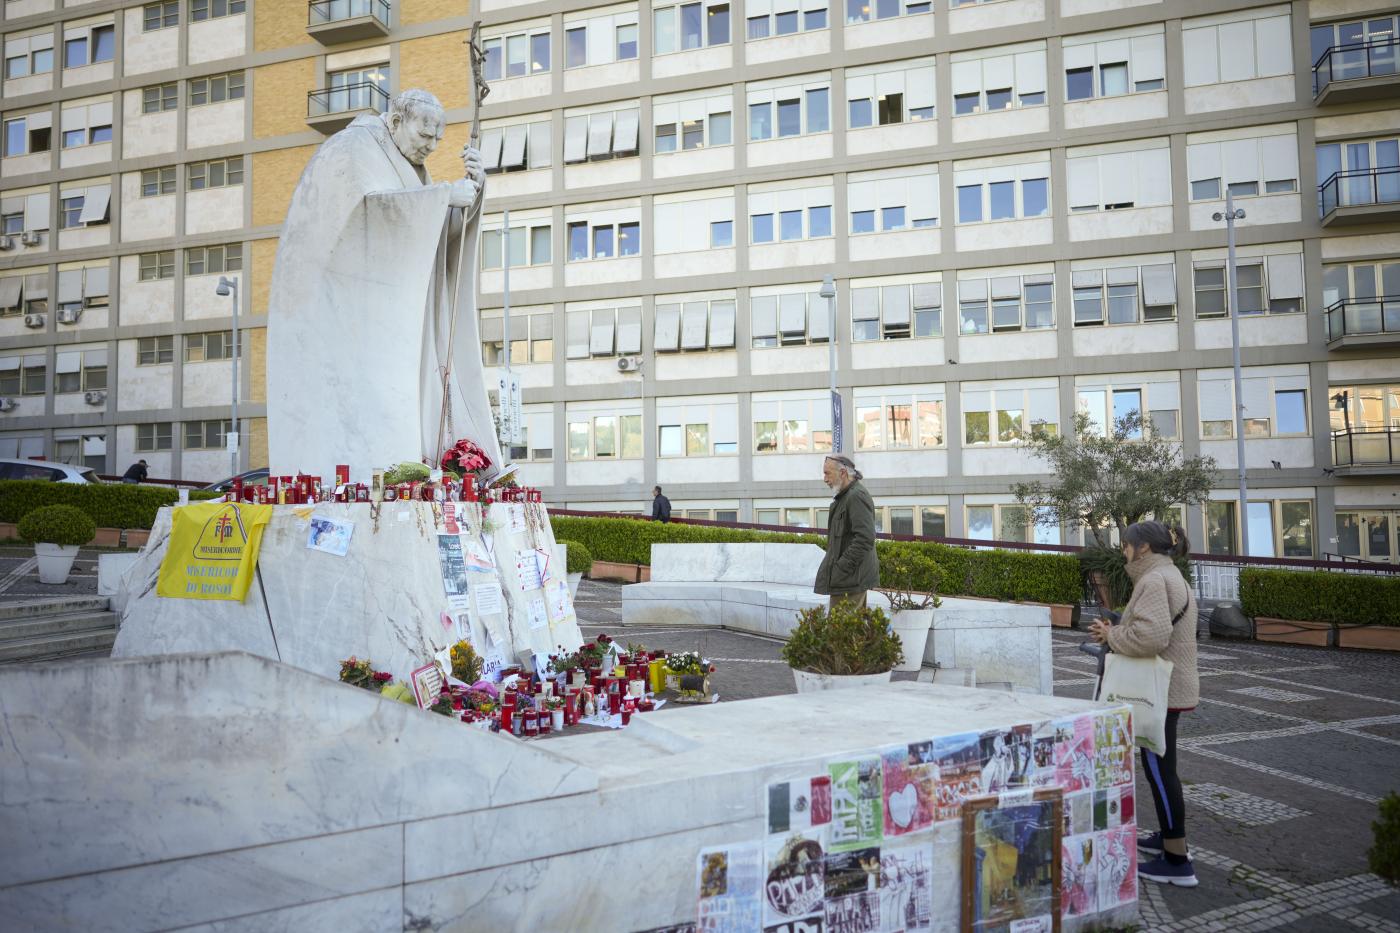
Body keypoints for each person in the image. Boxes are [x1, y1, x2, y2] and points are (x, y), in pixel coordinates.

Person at [266, 88, 505, 484]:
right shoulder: (350, 148)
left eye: (437, 140)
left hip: (392, 321)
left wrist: (471, 195)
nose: (430, 147)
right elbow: (364, 214)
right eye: (424, 136)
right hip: (348, 320)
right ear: (396, 122)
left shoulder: (408, 166)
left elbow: (436, 243)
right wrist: (444, 196)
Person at [1087, 520, 1200, 888]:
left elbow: (1150, 636)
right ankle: (1170, 839)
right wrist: (1120, 626)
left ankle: (1177, 860)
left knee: (1160, 770)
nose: (1123, 550)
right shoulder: (1171, 576)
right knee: (1161, 768)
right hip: (1171, 686)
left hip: (1159, 691)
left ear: (1144, 548)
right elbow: (1158, 627)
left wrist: (1111, 634)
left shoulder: (1153, 580)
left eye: (1126, 544)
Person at [813, 454, 879, 610]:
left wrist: (841, 567)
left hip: (850, 580)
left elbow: (865, 538)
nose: (825, 479)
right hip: (848, 580)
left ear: (842, 473)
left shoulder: (856, 496)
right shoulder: (845, 497)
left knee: (838, 631)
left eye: (827, 473)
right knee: (852, 631)